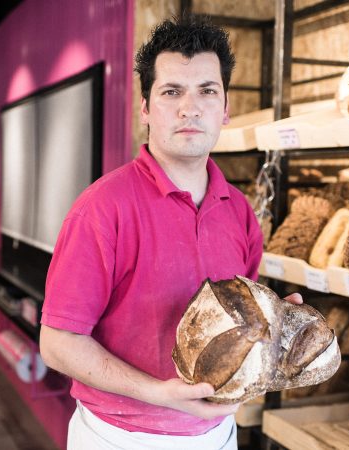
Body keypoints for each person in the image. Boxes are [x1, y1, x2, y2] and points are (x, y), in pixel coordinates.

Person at [39, 14, 302, 450]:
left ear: (225, 107)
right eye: (171, 91)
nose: (190, 108)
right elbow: (58, 343)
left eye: (207, 91)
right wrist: (159, 393)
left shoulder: (239, 212)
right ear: (145, 108)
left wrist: (274, 328)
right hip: (120, 438)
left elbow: (238, 326)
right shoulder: (102, 209)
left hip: (218, 435)